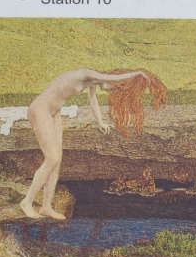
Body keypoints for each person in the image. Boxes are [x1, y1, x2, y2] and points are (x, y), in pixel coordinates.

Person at [19, 68, 152, 219]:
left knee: (57, 161)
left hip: (55, 112)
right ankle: (27, 202)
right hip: (41, 109)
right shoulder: (87, 74)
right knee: (52, 159)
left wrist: (101, 122)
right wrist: (137, 74)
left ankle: (46, 206)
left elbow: (93, 101)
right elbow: (113, 78)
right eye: (114, 86)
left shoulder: (91, 82)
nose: (111, 90)